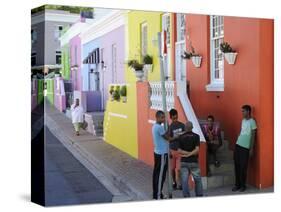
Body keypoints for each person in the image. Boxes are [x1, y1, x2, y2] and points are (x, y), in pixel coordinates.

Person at [152, 110, 178, 200]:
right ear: (157, 117)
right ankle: (158, 195)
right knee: (160, 176)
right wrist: (175, 136)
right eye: (162, 117)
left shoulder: (155, 126)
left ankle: (157, 194)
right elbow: (168, 137)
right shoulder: (159, 128)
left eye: (164, 117)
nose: (163, 119)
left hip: (158, 152)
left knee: (157, 174)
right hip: (162, 154)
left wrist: (166, 126)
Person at [232, 105, 257, 192]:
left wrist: (251, 148)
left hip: (245, 148)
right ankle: (237, 185)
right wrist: (238, 139)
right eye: (242, 111)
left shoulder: (252, 121)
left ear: (248, 111)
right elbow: (241, 131)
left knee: (243, 167)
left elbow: (253, 135)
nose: (242, 113)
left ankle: (243, 185)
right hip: (238, 145)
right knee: (237, 166)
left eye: (243, 111)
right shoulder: (243, 121)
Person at [178, 121, 203, 197]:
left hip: (184, 162)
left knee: (184, 181)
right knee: (197, 179)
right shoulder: (196, 136)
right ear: (192, 127)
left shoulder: (180, 137)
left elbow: (179, 150)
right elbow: (197, 150)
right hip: (194, 162)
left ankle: (186, 196)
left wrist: (186, 154)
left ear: (185, 128)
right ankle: (199, 195)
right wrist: (191, 154)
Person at [168, 109, 185, 190]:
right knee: (172, 169)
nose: (175, 120)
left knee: (179, 169)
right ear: (171, 118)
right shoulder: (170, 127)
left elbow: (186, 135)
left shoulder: (182, 125)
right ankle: (174, 182)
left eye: (176, 117)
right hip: (172, 151)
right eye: (174, 118)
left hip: (180, 150)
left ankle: (180, 184)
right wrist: (175, 137)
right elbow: (168, 139)